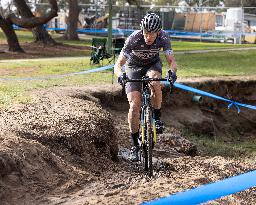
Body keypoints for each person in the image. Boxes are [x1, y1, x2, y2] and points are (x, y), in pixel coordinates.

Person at [114, 13, 177, 161]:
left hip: (152, 65)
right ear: (142, 30)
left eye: (152, 34)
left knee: (155, 81)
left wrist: (172, 72)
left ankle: (156, 117)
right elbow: (118, 65)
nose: (148, 37)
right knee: (135, 105)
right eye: (146, 33)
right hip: (133, 67)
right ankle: (135, 145)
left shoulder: (164, 37)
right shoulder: (133, 39)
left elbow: (171, 61)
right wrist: (120, 75)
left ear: (158, 32)